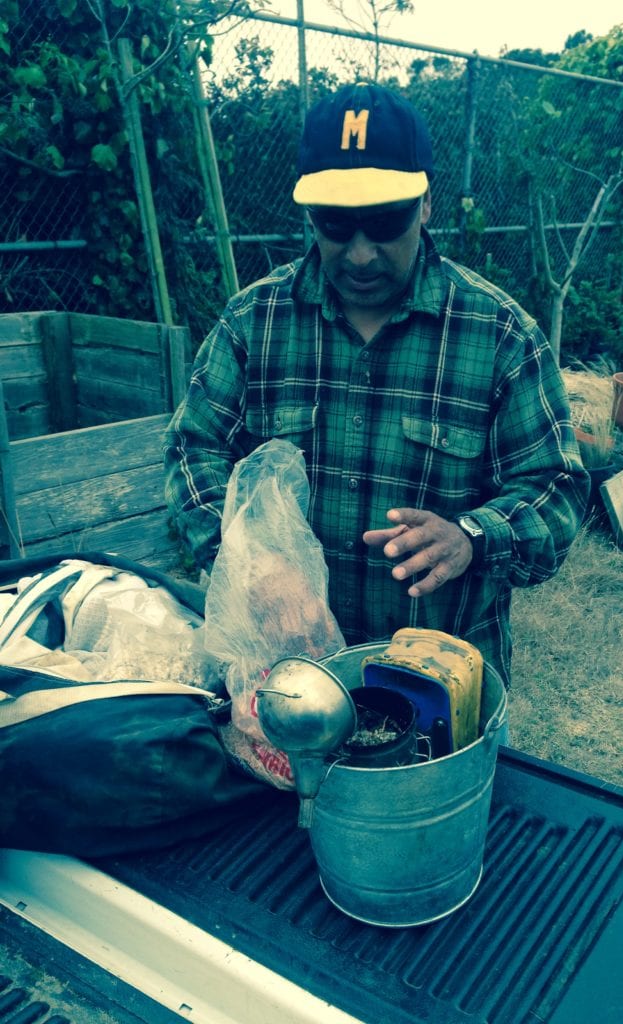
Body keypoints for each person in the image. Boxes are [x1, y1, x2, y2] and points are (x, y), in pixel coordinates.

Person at [164, 82, 589, 686]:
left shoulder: (500, 335)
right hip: (280, 684)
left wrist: (471, 536)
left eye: (385, 222)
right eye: (335, 225)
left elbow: (559, 488)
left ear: (425, 205)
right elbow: (192, 450)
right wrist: (251, 557)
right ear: (309, 215)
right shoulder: (253, 323)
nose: (360, 255)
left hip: (441, 693)